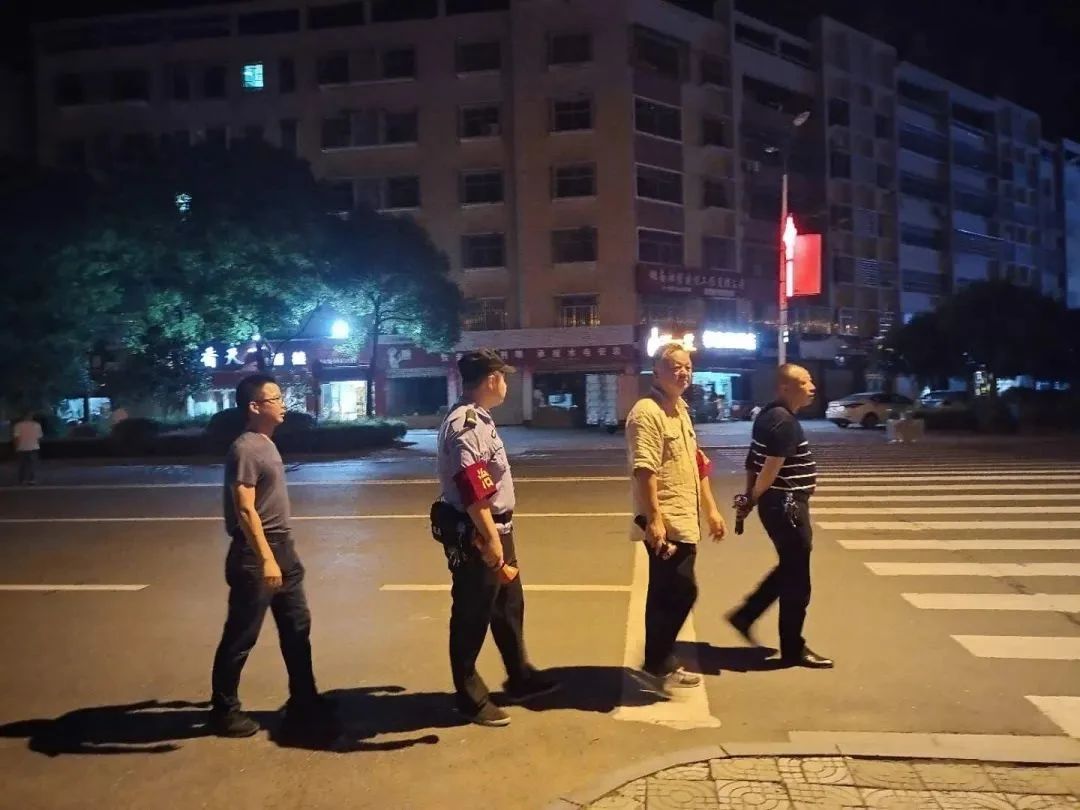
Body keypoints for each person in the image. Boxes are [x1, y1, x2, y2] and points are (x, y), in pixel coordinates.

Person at [209, 373, 338, 741]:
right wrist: (266, 557)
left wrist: (279, 554)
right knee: (241, 635)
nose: (283, 404)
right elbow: (245, 508)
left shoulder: (266, 443)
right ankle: (224, 711)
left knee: (297, 627)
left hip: (282, 548)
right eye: (275, 399)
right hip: (256, 554)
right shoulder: (246, 448)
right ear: (254, 407)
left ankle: (305, 700)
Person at [432, 349, 558, 727]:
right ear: (491, 379)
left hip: (496, 529)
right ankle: (468, 695)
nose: (505, 383)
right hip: (478, 533)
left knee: (508, 606)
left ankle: (519, 675)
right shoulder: (466, 424)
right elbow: (472, 488)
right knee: (472, 613)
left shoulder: (481, 418)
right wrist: (490, 539)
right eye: (503, 377)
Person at [625, 343, 727, 694]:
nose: (683, 373)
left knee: (667, 593)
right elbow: (644, 468)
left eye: (687, 367)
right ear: (656, 372)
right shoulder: (647, 412)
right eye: (675, 367)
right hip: (666, 521)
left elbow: (697, 464)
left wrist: (711, 510)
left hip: (685, 517)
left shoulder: (680, 409)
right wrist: (654, 519)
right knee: (680, 591)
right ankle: (657, 661)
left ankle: (658, 661)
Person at [727, 364, 833, 669]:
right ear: (785, 388)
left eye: (811, 380)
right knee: (798, 581)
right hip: (787, 506)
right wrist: (752, 498)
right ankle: (792, 648)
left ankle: (746, 614)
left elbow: (752, 461)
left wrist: (751, 497)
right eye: (804, 382)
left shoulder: (768, 415)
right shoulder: (783, 421)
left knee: (790, 568)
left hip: (779, 505)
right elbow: (769, 469)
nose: (812, 387)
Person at [13, 412, 43, 485]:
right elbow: (39, 437)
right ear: (31, 417)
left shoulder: (18, 425)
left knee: (22, 465)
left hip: (22, 447)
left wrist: (16, 447)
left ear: (23, 417)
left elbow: (16, 438)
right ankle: (32, 479)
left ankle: (22, 480)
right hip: (34, 447)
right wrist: (37, 444)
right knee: (32, 465)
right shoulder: (37, 425)